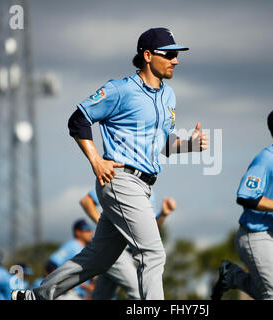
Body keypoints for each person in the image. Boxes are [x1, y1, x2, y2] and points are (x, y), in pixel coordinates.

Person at [12, 27, 208, 301]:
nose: (176, 60)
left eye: (178, 55)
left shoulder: (169, 96)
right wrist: (96, 160)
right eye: (171, 54)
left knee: (99, 258)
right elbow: (78, 120)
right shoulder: (120, 89)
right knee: (153, 253)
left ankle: (35, 296)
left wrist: (189, 144)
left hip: (144, 185)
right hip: (121, 179)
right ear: (148, 55)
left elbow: (161, 144)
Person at [211, 105, 273, 300]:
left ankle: (232, 276)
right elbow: (245, 196)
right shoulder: (266, 159)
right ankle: (232, 276)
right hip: (256, 235)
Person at [80, 188, 176, 299]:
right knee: (140, 293)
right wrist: (108, 227)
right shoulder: (122, 177)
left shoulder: (149, 190)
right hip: (115, 250)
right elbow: (86, 201)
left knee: (102, 297)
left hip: (125, 254)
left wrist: (163, 214)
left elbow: (149, 231)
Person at [45, 219, 95, 299]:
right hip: (67, 295)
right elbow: (50, 266)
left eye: (90, 230)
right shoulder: (72, 245)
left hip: (80, 296)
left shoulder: (87, 248)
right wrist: (63, 284)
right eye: (86, 230)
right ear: (78, 232)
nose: (90, 232)